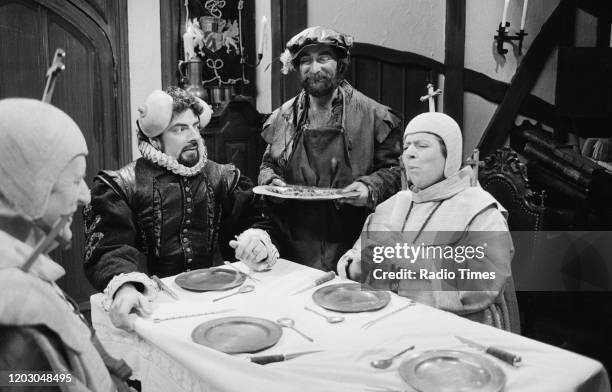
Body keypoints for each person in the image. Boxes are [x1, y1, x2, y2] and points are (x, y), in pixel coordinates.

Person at [84, 87, 278, 331]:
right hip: (152, 307)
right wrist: (125, 284)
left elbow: (256, 219)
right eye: (180, 129)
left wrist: (254, 240)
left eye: (196, 126)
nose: (194, 136)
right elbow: (108, 248)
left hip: (221, 301)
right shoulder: (121, 185)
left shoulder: (224, 177)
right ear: (154, 139)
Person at [337, 112, 518, 331]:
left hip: (457, 330)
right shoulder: (389, 208)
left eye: (422, 145)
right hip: (387, 322)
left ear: (449, 156)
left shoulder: (480, 212)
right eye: (406, 147)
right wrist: (358, 268)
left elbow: (481, 287)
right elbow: (354, 260)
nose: (409, 154)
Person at [0, 99, 131, 391]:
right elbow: (37, 380)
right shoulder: (17, 329)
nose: (85, 196)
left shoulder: (23, 272)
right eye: (75, 180)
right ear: (30, 189)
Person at [259, 26, 402, 271]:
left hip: (354, 243)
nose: (314, 68)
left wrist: (370, 187)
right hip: (294, 245)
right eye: (306, 60)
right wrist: (271, 181)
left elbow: (394, 171)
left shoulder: (374, 115)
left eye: (323, 58)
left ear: (340, 63)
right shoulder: (283, 116)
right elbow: (269, 165)